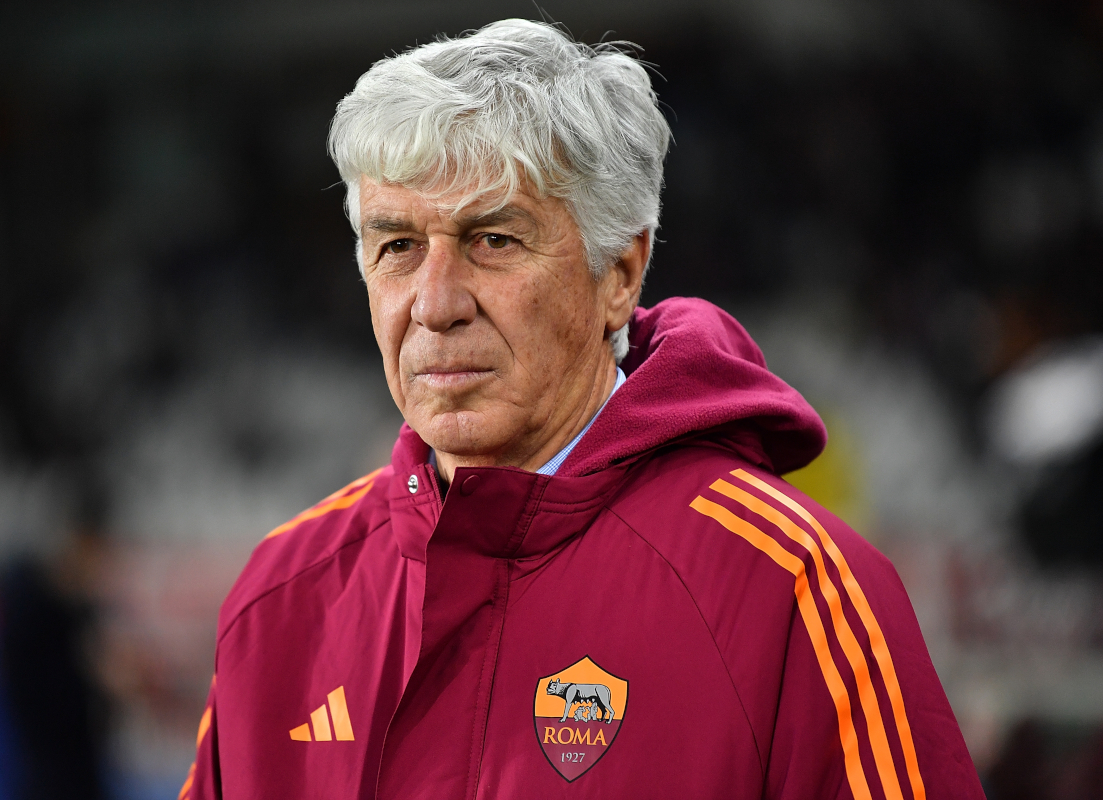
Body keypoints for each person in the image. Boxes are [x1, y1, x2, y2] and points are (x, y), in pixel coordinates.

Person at [182, 19, 984, 799]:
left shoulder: (793, 586)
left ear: (620, 273)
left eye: (493, 239)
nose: (433, 304)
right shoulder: (279, 596)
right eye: (397, 247)